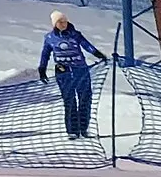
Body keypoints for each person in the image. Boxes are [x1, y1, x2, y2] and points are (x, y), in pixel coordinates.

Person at [37, 10, 108, 138]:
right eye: (60, 22)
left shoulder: (75, 35)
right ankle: (72, 130)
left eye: (64, 21)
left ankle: (83, 128)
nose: (63, 24)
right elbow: (45, 54)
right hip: (63, 72)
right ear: (54, 24)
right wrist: (42, 69)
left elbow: (87, 46)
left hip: (80, 70)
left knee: (85, 98)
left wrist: (98, 54)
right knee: (69, 100)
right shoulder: (49, 38)